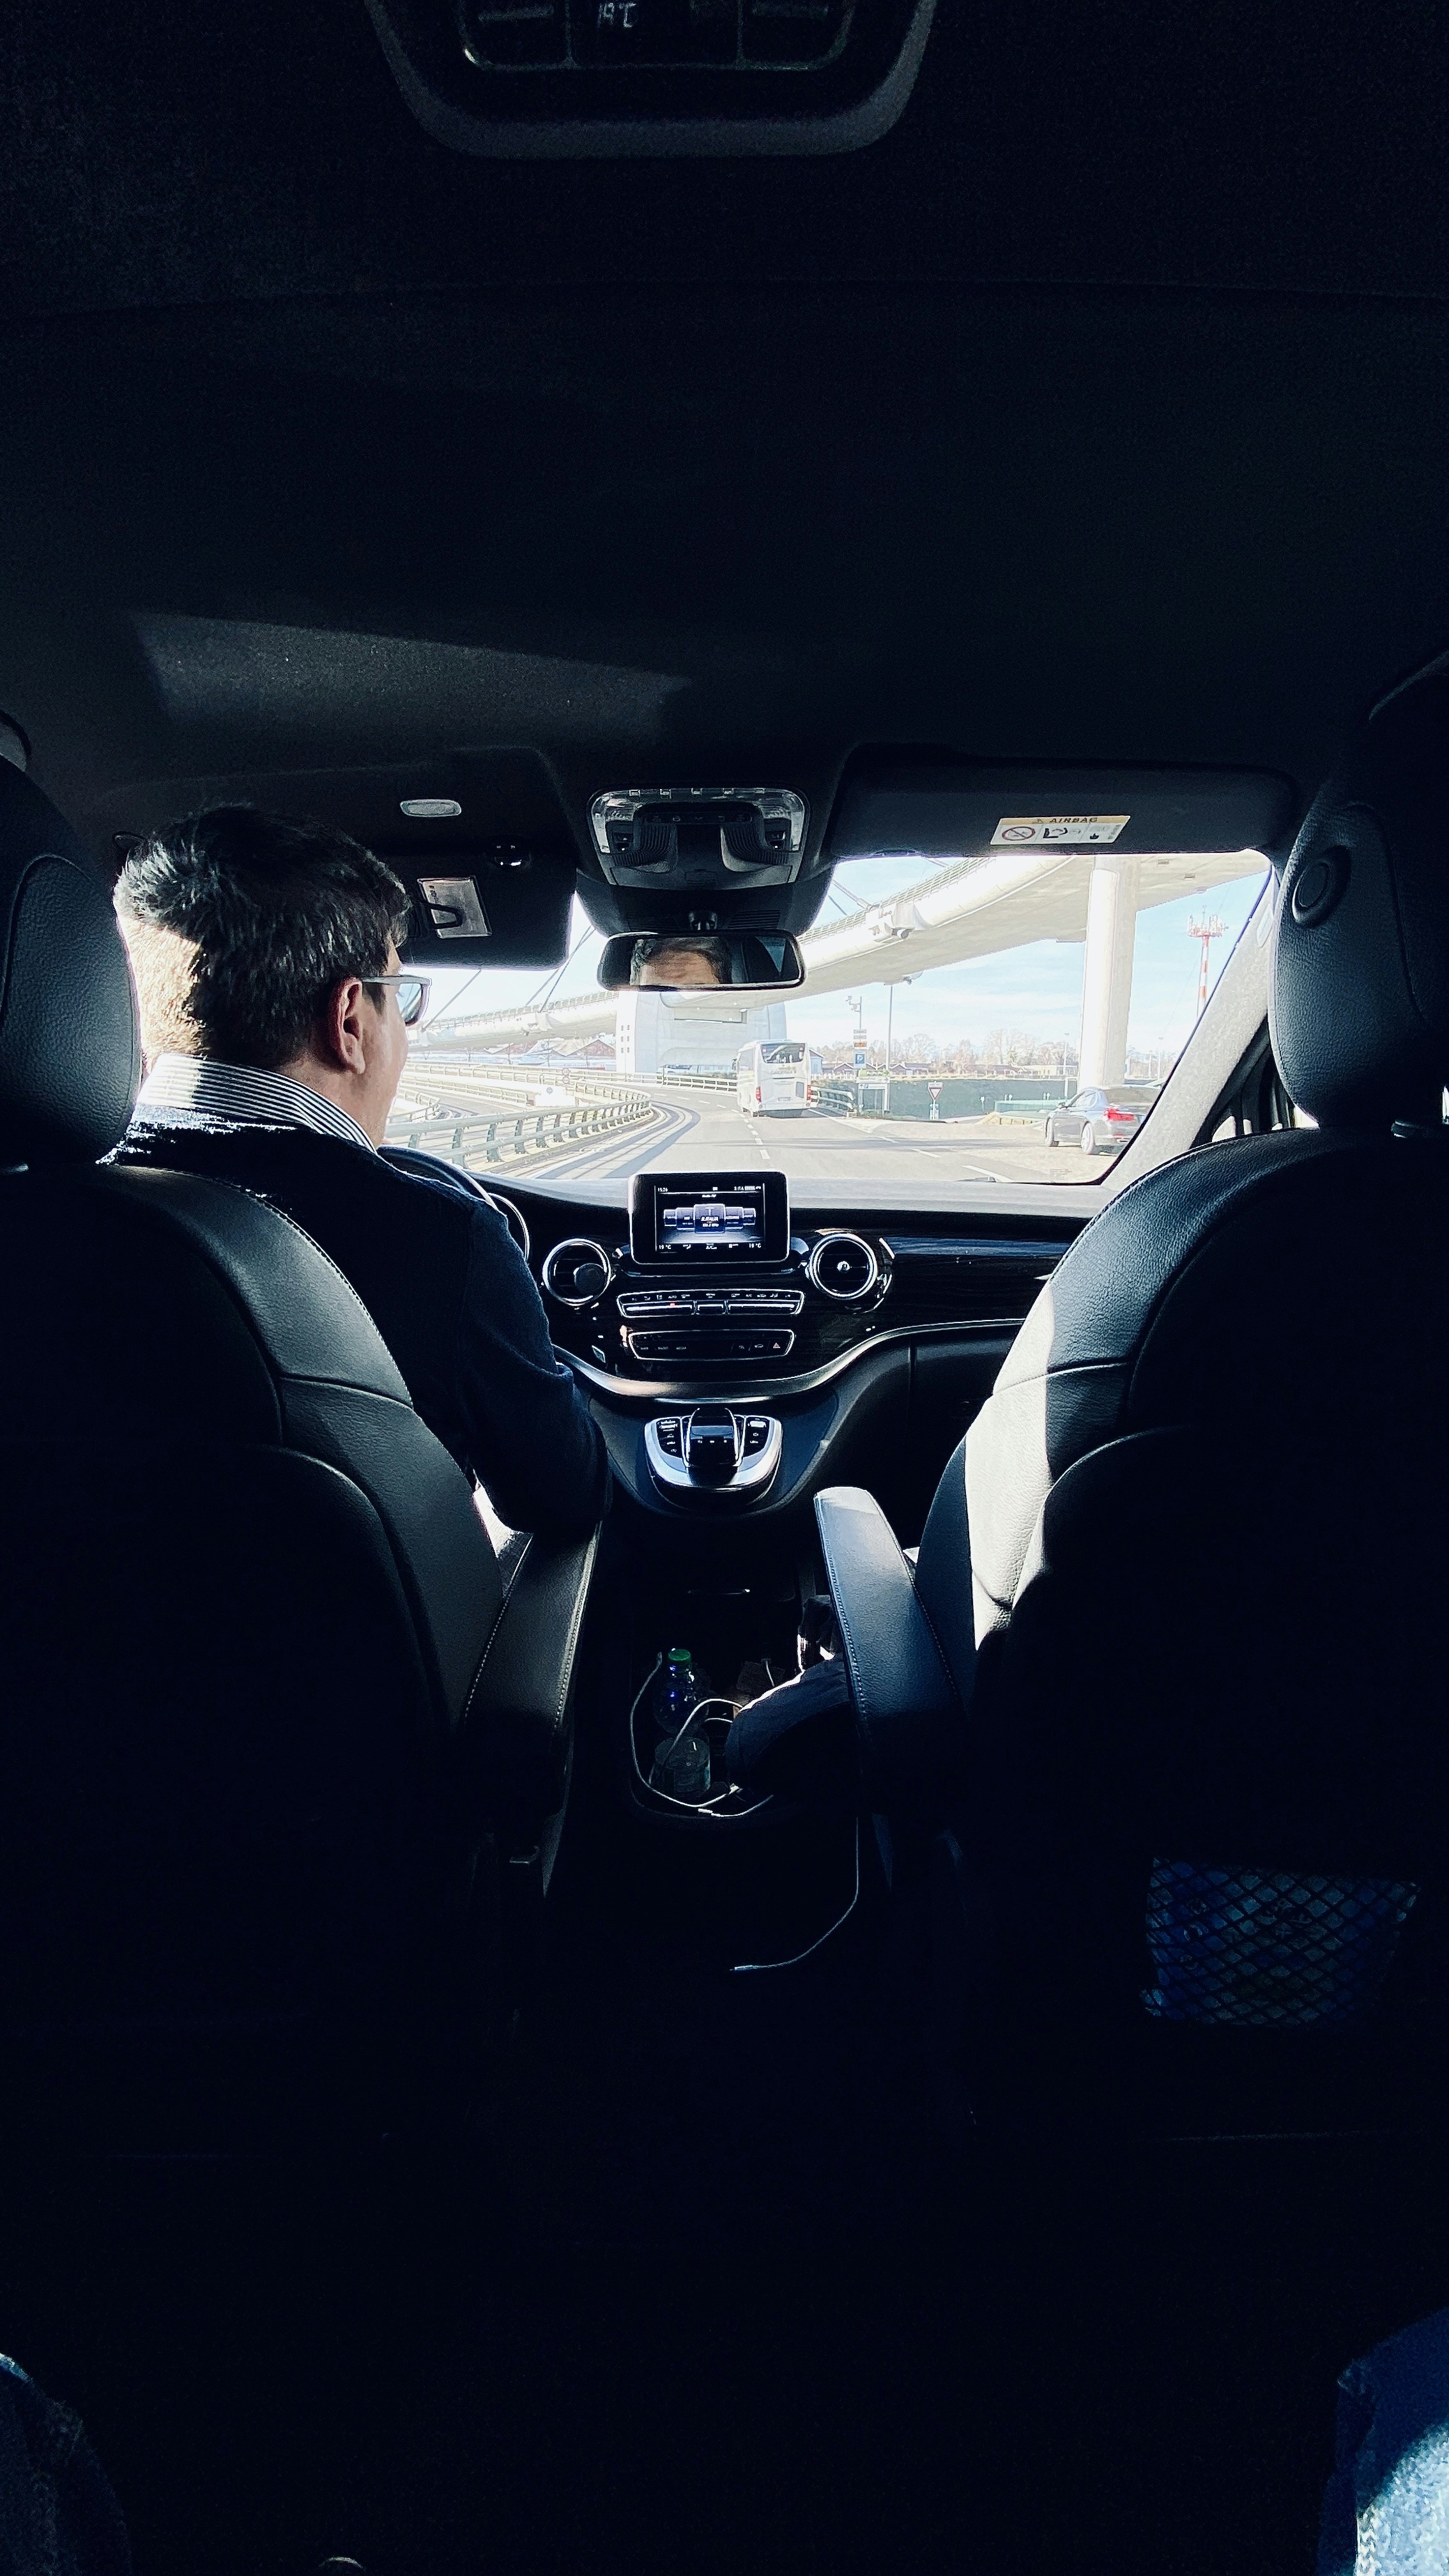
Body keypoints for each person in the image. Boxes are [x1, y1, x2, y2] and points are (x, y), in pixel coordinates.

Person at [111, 806, 608, 1543]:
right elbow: (563, 1501)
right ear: (350, 1020)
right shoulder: (445, 1242)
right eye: (399, 997)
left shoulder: (33, 1218)